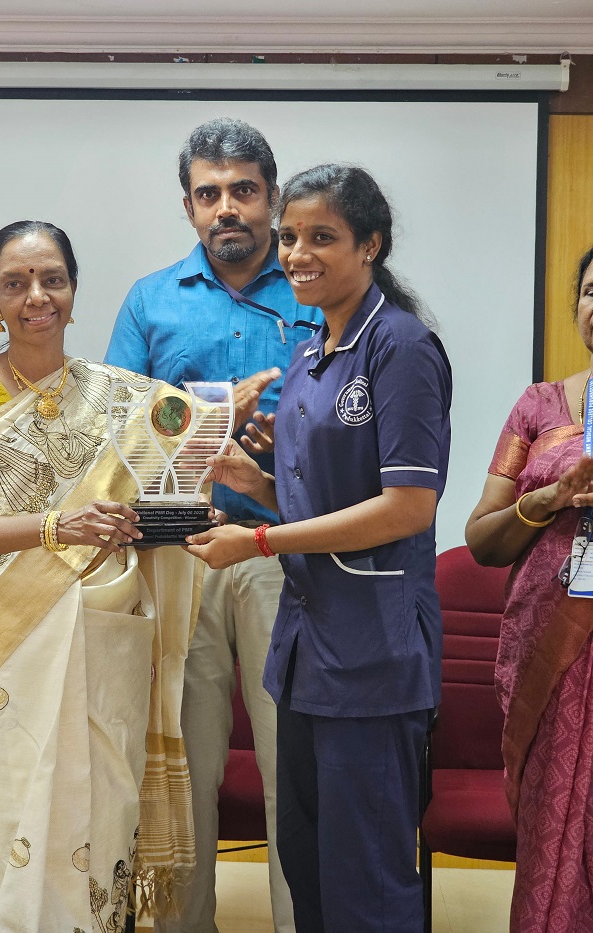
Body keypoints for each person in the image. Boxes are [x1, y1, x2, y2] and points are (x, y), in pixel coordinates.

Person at [0, 220, 210, 932]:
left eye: (52, 280)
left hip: (95, 643)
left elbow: (178, 468)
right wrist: (57, 526)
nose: (36, 297)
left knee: (89, 809)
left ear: (74, 291)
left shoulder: (123, 401)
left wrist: (196, 493)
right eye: (15, 284)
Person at [186, 163, 452, 932]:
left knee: (364, 878)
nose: (298, 254)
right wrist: (252, 480)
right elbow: (318, 500)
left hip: (374, 655)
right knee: (307, 864)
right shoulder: (308, 351)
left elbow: (407, 506)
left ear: (371, 244)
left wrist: (258, 538)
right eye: (291, 236)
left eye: (322, 237)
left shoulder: (402, 348)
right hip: (305, 655)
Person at [105, 117, 323, 933]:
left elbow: (348, 419)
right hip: (179, 557)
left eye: (243, 190)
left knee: (291, 765)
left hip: (283, 554)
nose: (226, 207)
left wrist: (280, 441)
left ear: (272, 196)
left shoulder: (314, 289)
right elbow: (116, 428)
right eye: (208, 193)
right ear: (189, 205)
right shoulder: (151, 299)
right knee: (183, 771)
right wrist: (207, 420)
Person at [466, 246, 593, 932]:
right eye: (592, 292)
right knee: (553, 831)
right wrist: (545, 501)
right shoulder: (538, 406)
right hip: (550, 651)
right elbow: (483, 538)